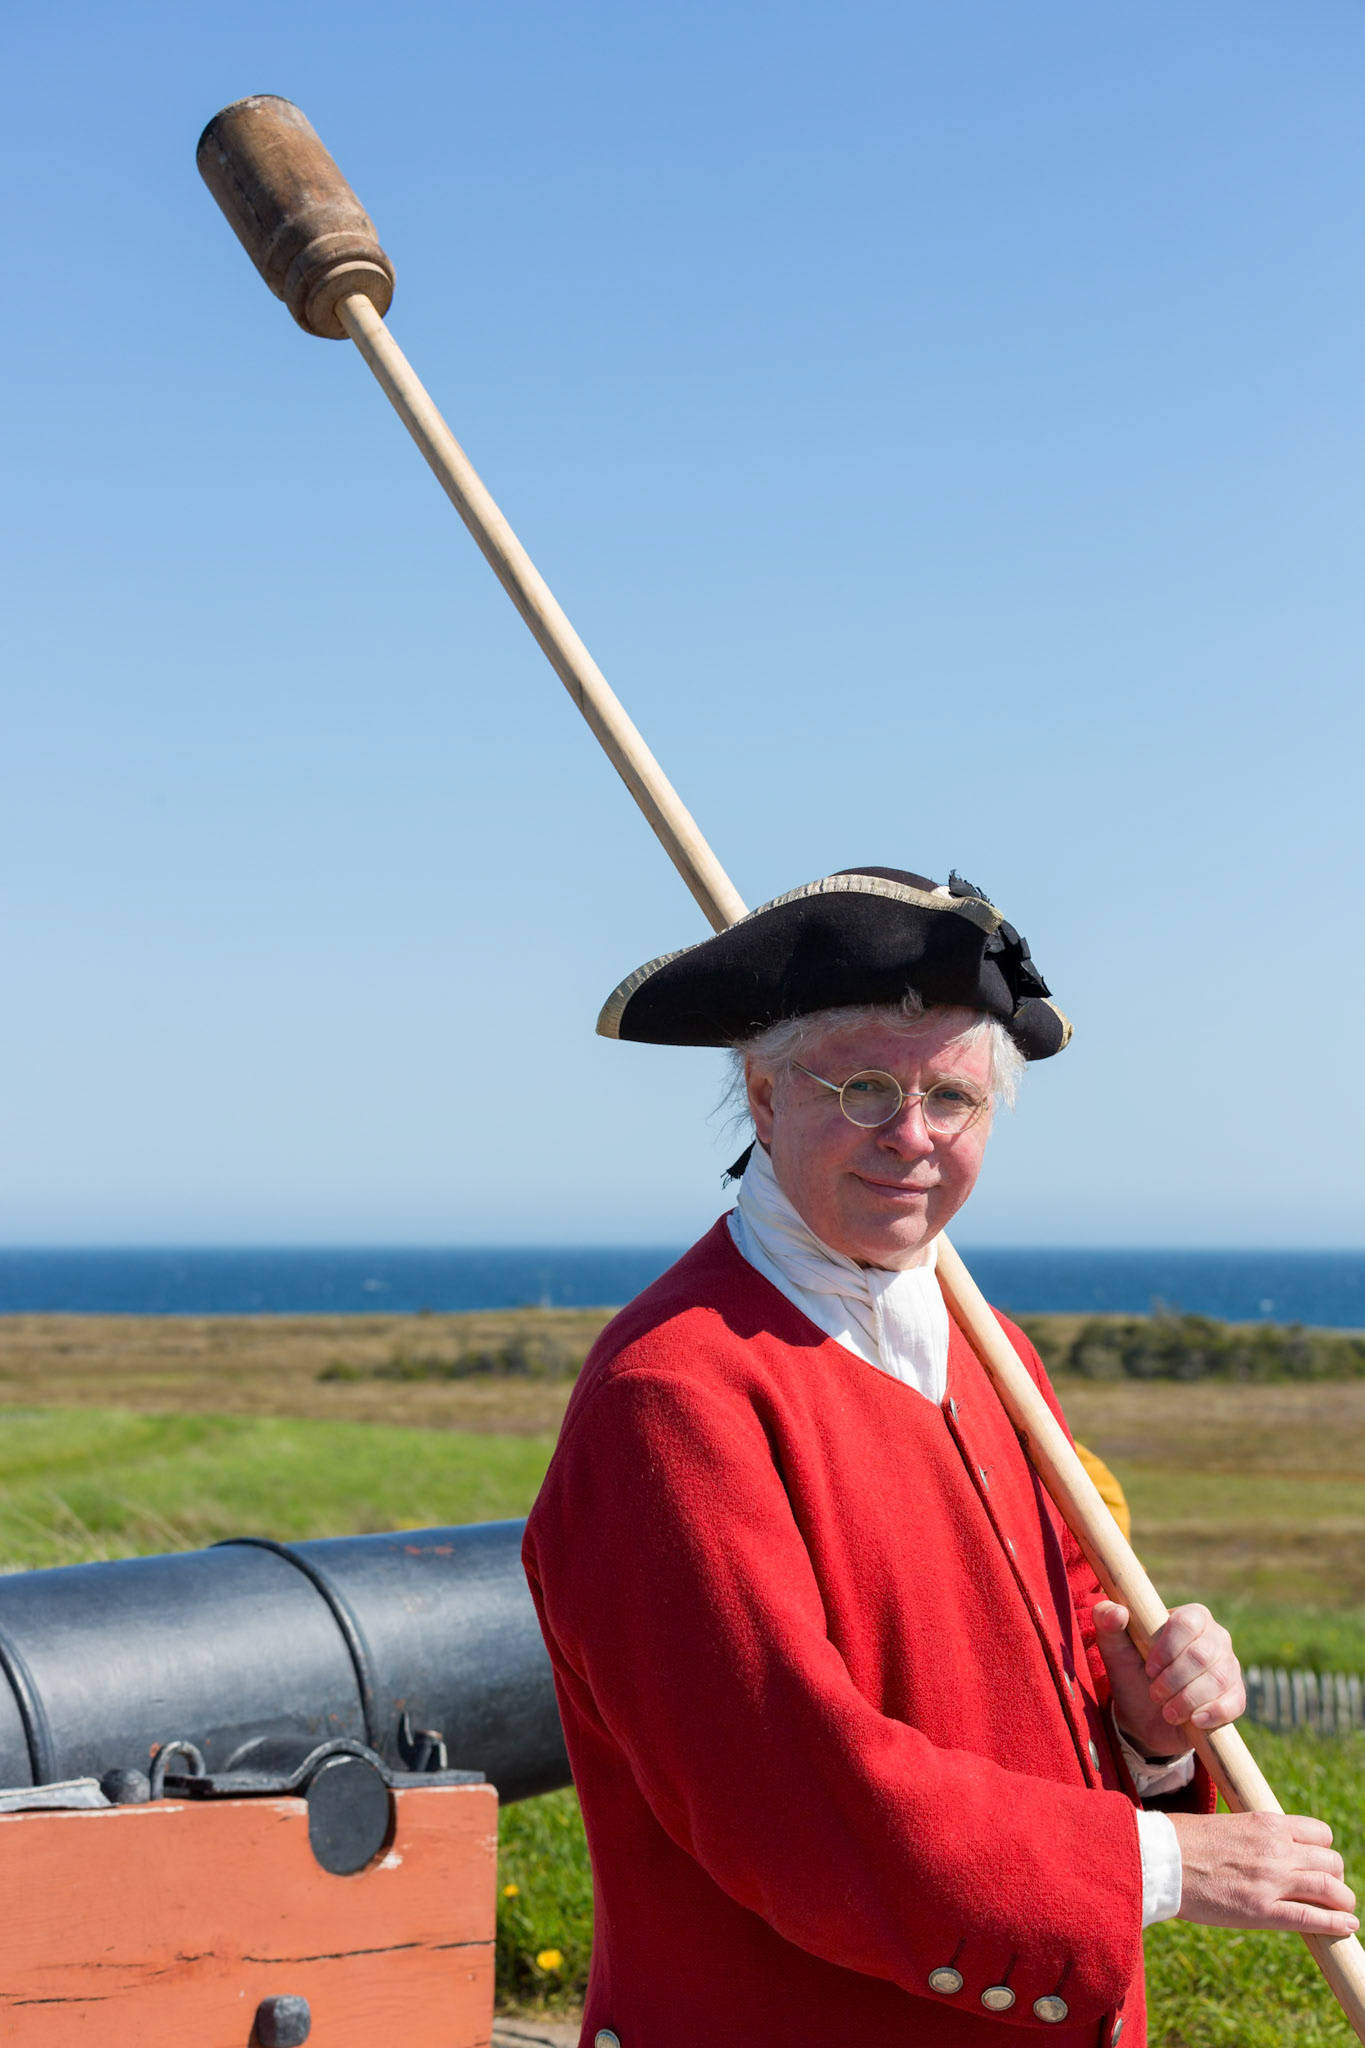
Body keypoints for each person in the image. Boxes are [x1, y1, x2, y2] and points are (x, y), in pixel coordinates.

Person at [523, 867, 1356, 2048]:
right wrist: (1156, 1862)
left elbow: (1050, 1682)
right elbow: (797, 1795)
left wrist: (1142, 1729)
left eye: (952, 1098)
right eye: (862, 1087)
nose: (910, 1137)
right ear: (761, 1096)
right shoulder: (672, 1394)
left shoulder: (989, 1346)